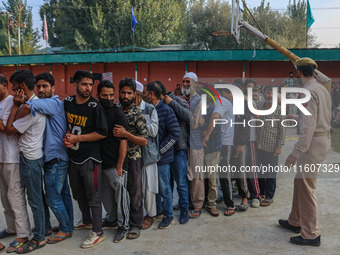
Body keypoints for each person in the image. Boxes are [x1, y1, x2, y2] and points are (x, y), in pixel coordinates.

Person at [13, 72, 74, 245]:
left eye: (45, 86)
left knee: (52, 197)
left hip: (55, 158)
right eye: (38, 86)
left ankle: (66, 228)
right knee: (63, 195)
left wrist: (13, 121)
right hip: (56, 158)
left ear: (53, 88)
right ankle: (66, 224)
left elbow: (25, 107)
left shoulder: (52, 103)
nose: (41, 90)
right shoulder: (46, 104)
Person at [280, 58, 332, 247]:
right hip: (321, 139)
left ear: (299, 73)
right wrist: (296, 115)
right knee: (300, 182)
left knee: (306, 187)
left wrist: (295, 152)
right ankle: (295, 220)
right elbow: (318, 116)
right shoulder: (322, 89)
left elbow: (308, 128)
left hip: (312, 144)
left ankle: (311, 234)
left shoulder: (308, 92)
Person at [63, 70, 108, 248]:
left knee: (93, 196)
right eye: (84, 84)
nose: (88, 88)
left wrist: (77, 138)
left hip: (90, 158)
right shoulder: (67, 102)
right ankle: (87, 220)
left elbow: (102, 133)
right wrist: (68, 136)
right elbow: (67, 124)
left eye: (90, 84)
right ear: (75, 85)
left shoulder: (94, 106)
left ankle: (98, 232)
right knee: (78, 193)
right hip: (73, 156)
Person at [5, 70, 47, 253]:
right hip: (30, 157)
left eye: (14, 87)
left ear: (22, 87)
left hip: (30, 158)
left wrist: (14, 106)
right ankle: (41, 231)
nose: (12, 90)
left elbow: (8, 129)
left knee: (35, 200)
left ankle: (39, 238)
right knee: (36, 198)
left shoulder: (30, 108)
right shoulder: (32, 104)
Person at [113, 78, 147, 239]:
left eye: (129, 93)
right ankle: (119, 221)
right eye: (123, 92)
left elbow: (144, 140)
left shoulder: (137, 113)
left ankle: (135, 224)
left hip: (133, 158)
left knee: (135, 192)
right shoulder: (115, 110)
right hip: (116, 158)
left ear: (134, 94)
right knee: (119, 193)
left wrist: (126, 134)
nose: (125, 95)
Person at [96, 80, 130, 243]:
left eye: (111, 95)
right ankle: (111, 219)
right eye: (105, 95)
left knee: (121, 196)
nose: (108, 98)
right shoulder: (95, 110)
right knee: (105, 196)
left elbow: (123, 141)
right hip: (99, 163)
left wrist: (119, 165)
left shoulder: (117, 114)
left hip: (115, 164)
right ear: (98, 95)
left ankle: (123, 226)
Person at [0, 74, 31, 253]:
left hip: (12, 156)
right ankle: (12, 228)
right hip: (1, 156)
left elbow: (5, 128)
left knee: (15, 195)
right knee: (4, 197)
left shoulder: (13, 101)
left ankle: (23, 233)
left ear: (4, 86)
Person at [143, 81, 180, 228]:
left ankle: (168, 215)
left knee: (164, 187)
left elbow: (175, 133)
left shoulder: (165, 109)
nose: (143, 95)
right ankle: (158, 210)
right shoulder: (148, 109)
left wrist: (160, 151)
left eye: (145, 93)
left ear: (151, 94)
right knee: (154, 187)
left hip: (162, 158)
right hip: (151, 158)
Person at [159, 81, 190, 224]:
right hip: (165, 151)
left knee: (181, 183)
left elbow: (189, 118)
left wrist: (171, 103)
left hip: (178, 149)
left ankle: (184, 210)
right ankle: (168, 210)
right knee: (167, 183)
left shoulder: (178, 101)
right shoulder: (157, 105)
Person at [134, 81, 160, 229]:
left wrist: (139, 121)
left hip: (148, 153)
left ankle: (150, 214)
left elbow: (153, 131)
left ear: (136, 94)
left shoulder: (150, 109)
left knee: (149, 187)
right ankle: (136, 214)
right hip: (132, 153)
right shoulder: (124, 108)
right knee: (135, 186)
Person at [256, 85, 285, 207]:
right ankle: (261, 193)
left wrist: (279, 147)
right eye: (268, 93)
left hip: (271, 146)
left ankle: (269, 196)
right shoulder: (259, 106)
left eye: (272, 93)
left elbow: (282, 130)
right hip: (259, 146)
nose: (270, 95)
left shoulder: (279, 110)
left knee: (271, 173)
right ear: (264, 93)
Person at [182, 72, 205, 218]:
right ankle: (188, 202)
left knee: (197, 176)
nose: (185, 85)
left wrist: (181, 110)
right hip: (184, 144)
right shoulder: (183, 99)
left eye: (188, 82)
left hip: (196, 144)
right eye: (183, 82)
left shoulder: (200, 100)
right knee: (185, 175)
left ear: (195, 84)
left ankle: (198, 204)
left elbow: (195, 123)